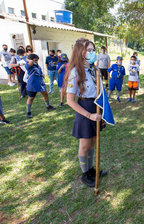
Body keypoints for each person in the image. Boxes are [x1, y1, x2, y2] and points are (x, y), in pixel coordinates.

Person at [64, 38, 107, 188]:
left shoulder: (94, 70)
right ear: (80, 52)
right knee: (84, 144)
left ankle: (91, 169)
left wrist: (103, 111)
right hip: (85, 109)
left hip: (97, 107)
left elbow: (100, 91)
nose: (92, 53)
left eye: (93, 50)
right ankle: (85, 173)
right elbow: (70, 100)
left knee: (93, 142)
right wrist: (89, 115)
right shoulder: (75, 72)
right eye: (89, 50)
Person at [25, 53, 56, 118]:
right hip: (32, 84)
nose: (36, 62)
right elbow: (30, 62)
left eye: (37, 60)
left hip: (40, 83)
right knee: (31, 98)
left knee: (45, 94)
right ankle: (28, 112)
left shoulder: (37, 66)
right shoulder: (28, 65)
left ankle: (48, 106)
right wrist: (28, 59)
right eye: (35, 60)